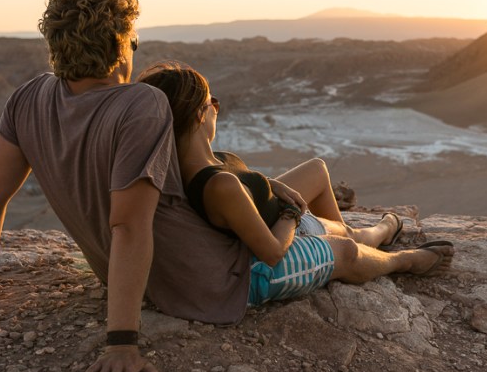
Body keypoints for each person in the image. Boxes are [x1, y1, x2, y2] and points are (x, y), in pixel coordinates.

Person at [0, 0, 251, 372]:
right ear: (120, 44)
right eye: (133, 41)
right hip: (215, 280)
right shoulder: (141, 103)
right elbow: (127, 224)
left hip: (138, 283)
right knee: (350, 254)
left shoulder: (26, 99)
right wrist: (121, 343)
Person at [137, 61, 454, 306]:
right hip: (268, 251)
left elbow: (239, 183)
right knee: (344, 250)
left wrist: (272, 184)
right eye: (211, 102)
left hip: (274, 217)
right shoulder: (217, 185)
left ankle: (378, 233)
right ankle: (404, 262)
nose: (216, 109)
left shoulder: (210, 158)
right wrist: (291, 213)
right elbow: (272, 252)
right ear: (197, 114)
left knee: (317, 172)